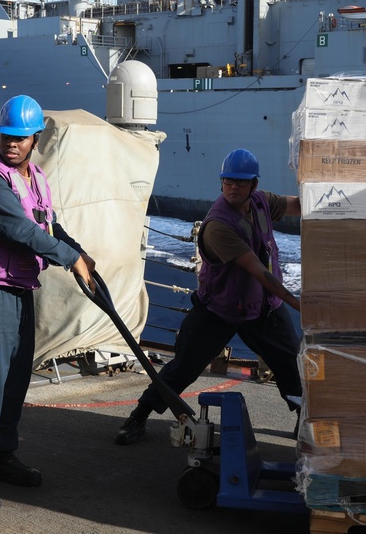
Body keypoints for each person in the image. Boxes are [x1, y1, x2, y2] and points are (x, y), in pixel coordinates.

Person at [0, 95, 97, 513]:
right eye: (6, 136)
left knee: (11, 379)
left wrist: (79, 251)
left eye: (20, 138)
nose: (11, 144)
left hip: (17, 289)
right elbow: (17, 230)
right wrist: (72, 260)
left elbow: (47, 225)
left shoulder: (36, 178)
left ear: (35, 139)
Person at [115, 148, 303, 445]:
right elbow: (256, 270)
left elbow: (298, 205)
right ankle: (139, 414)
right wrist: (298, 303)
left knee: (292, 365)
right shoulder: (218, 225)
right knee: (183, 367)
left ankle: (302, 418)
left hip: (263, 308)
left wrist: (332, 201)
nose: (233, 187)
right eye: (228, 181)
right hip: (220, 309)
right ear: (220, 182)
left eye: (241, 182)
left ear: (254, 185)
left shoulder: (262, 201)